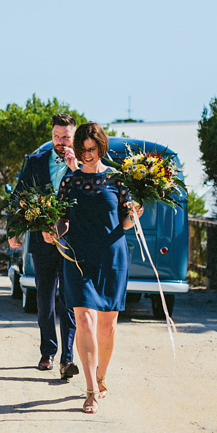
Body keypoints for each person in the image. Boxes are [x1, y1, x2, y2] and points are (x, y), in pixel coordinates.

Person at [44, 122, 141, 414]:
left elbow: (124, 221)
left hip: (112, 258)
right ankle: (89, 390)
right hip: (77, 258)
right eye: (82, 150)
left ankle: (101, 378)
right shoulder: (70, 181)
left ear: (101, 147)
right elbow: (63, 220)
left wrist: (135, 216)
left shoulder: (116, 180)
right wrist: (53, 232)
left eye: (92, 149)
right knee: (85, 321)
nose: (86, 155)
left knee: (108, 328)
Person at [10, 113, 79, 379]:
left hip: (73, 242)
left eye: (66, 137)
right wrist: (13, 229)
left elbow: (90, 197)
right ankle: (48, 351)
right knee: (44, 297)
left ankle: (68, 357)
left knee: (70, 299)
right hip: (41, 239)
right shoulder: (36, 161)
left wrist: (74, 168)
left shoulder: (83, 164)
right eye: (56, 136)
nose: (60, 142)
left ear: (74, 136)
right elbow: (19, 194)